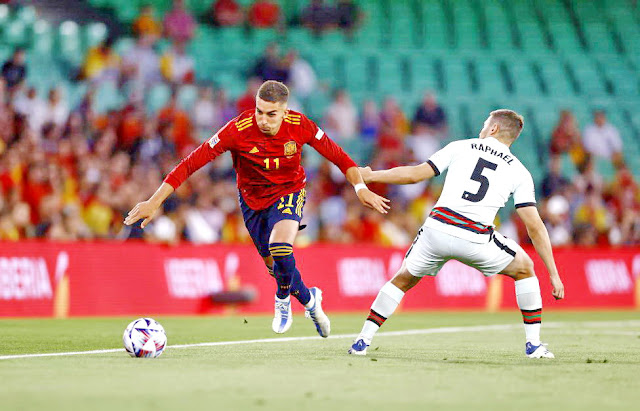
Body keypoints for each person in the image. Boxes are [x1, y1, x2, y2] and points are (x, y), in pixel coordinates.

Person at [124, 80, 389, 337]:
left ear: (285, 111)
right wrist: (154, 201)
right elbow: (191, 163)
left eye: (272, 114)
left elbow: (340, 158)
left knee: (281, 247)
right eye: (259, 112)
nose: (263, 119)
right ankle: (310, 301)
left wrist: (360, 189)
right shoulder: (237, 129)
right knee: (276, 267)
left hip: (289, 191)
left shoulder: (301, 126)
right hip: (252, 202)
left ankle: (282, 298)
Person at [349, 109, 565, 359]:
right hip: (475, 238)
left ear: (493, 129)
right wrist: (553, 274)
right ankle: (534, 345)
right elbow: (535, 226)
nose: (482, 129)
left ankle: (362, 341)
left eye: (485, 125)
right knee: (525, 268)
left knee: (403, 278)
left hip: (437, 230)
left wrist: (372, 175)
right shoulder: (520, 172)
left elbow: (414, 175)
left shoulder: (461, 147)